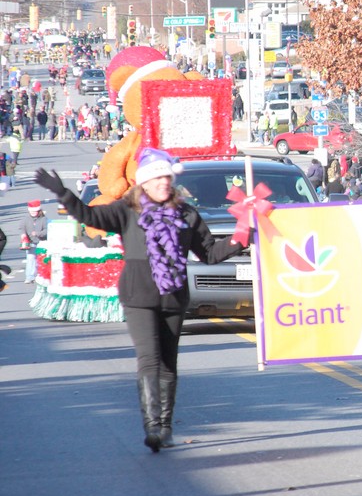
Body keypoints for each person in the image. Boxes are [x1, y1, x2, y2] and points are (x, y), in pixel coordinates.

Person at [33, 149, 249, 453]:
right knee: (149, 359)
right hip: (139, 296)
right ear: (144, 182)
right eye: (157, 177)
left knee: (168, 363)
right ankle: (152, 427)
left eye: (167, 177)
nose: (163, 182)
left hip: (174, 297)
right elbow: (90, 216)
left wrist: (242, 237)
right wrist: (62, 193)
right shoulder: (127, 211)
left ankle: (166, 426)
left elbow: (210, 253)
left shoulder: (186, 214)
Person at [20, 199, 47, 283]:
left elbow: (47, 230)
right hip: (30, 242)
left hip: (41, 242)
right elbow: (22, 228)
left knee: (41, 259)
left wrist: (38, 233)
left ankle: (41, 275)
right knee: (30, 259)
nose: (32, 213)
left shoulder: (43, 219)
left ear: (38, 211)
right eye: (31, 212)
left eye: (34, 212)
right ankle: (29, 277)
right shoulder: (26, 219)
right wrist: (23, 235)